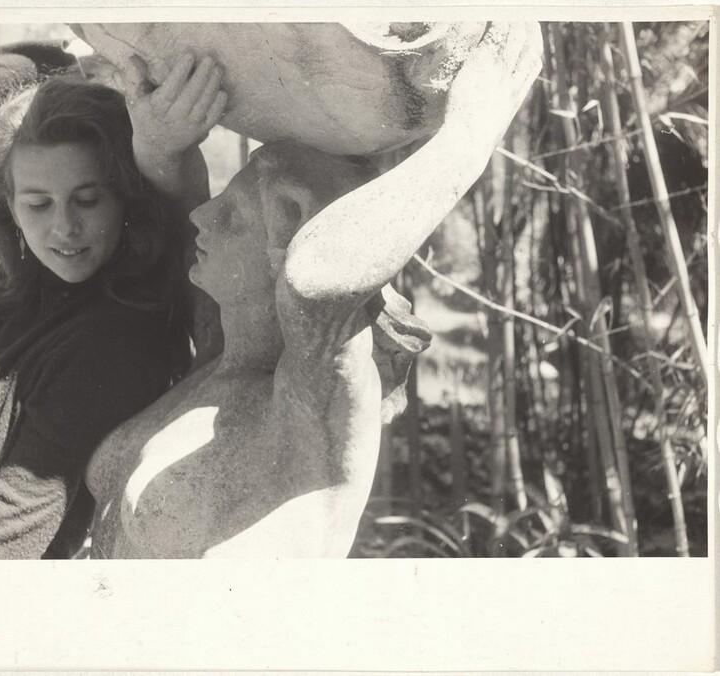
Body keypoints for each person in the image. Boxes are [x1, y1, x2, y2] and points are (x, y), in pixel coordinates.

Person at [86, 23, 543, 558]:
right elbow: (183, 205)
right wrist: (161, 142)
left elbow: (315, 284)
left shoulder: (313, 403)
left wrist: (471, 130)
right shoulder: (219, 364)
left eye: (233, 214)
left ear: (291, 223)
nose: (206, 215)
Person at [0, 40, 225, 559]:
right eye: (37, 203)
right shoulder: (23, 264)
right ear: (8, 205)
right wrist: (78, 56)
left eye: (88, 198)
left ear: (124, 195)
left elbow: (5, 540)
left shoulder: (115, 340)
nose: (64, 228)